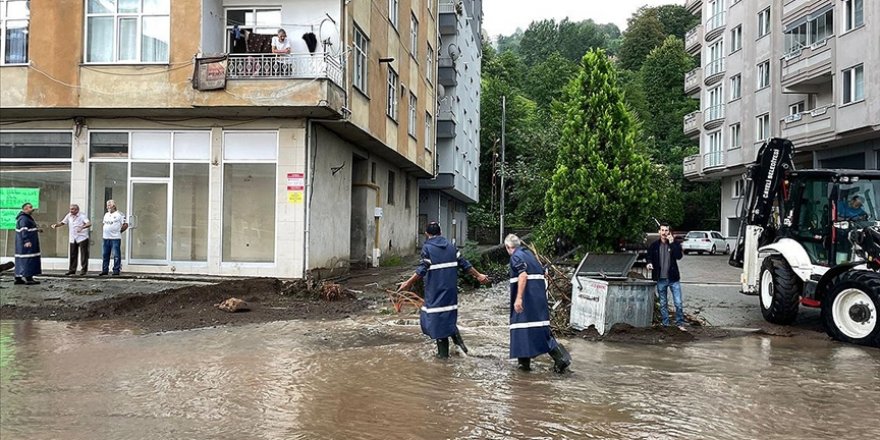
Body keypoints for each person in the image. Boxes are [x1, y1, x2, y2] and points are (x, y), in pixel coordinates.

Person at [398, 222, 490, 358]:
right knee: (447, 318)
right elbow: (465, 264)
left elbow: (422, 269)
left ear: (427, 234)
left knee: (436, 322)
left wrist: (408, 283)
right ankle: (462, 348)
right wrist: (479, 276)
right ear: (440, 232)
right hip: (451, 292)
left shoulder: (427, 248)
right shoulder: (451, 247)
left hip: (435, 292)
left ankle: (443, 359)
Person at [504, 234, 571, 373]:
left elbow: (523, 275)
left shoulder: (515, 257)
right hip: (538, 302)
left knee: (520, 331)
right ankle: (559, 359)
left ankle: (525, 368)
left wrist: (519, 298)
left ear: (507, 247)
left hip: (526, 302)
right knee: (539, 331)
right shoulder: (530, 256)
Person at [646, 223, 686, 330]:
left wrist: (672, 243)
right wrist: (649, 263)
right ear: (659, 232)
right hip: (660, 279)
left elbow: (679, 256)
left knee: (678, 302)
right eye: (662, 230)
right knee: (663, 303)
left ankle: (680, 324)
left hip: (673, 279)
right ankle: (666, 324)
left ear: (669, 232)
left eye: (666, 230)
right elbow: (648, 257)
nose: (664, 233)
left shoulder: (674, 244)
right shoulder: (654, 245)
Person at [51, 204, 92, 276]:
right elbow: (63, 222)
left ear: (77, 210)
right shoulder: (69, 215)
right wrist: (56, 225)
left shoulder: (82, 216)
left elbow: (88, 223)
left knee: (84, 254)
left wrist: (82, 227)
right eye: (70, 209)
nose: (71, 211)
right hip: (73, 238)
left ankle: (83, 270)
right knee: (73, 254)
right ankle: (72, 270)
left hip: (82, 237)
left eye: (72, 209)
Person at [14, 203, 42, 285]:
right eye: (30, 207)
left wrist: (36, 230)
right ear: (25, 209)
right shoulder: (24, 219)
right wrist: (26, 241)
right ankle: (28, 278)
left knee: (21, 260)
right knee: (28, 260)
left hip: (22, 244)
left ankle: (18, 278)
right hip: (26, 245)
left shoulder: (25, 218)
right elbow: (24, 230)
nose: (32, 209)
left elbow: (28, 228)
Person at [100, 200, 128, 276]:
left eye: (109, 205)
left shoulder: (119, 214)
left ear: (114, 206)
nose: (108, 207)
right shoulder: (106, 214)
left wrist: (119, 231)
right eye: (107, 205)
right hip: (106, 237)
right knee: (105, 254)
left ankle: (116, 270)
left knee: (116, 254)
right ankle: (105, 270)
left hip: (115, 238)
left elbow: (125, 224)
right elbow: (104, 224)